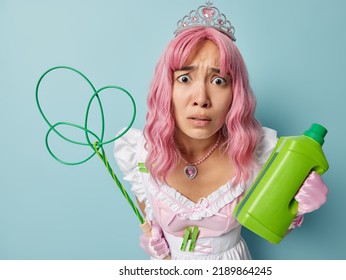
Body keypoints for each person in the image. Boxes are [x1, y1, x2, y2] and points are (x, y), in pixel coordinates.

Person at [113, 1, 328, 260]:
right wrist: (155, 243)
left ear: (234, 94)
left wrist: (296, 209)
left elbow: (272, 226)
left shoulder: (259, 153)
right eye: (184, 78)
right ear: (166, 89)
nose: (201, 98)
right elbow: (149, 221)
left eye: (218, 80)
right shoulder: (141, 153)